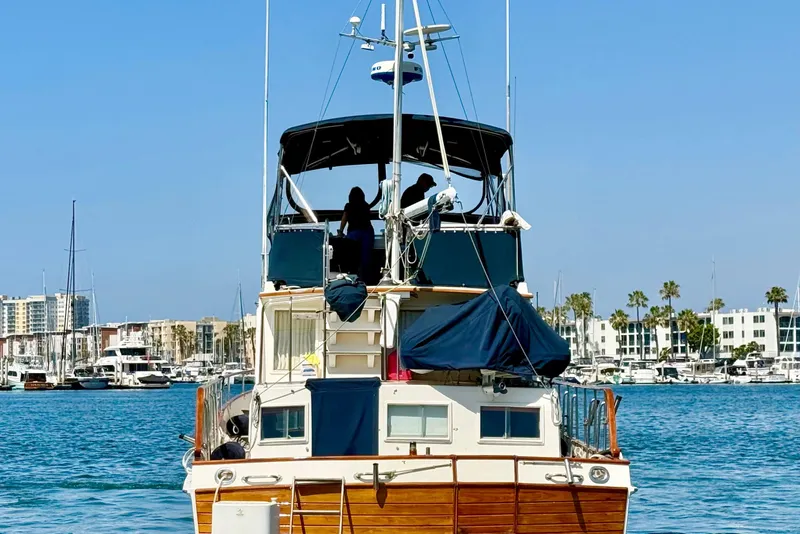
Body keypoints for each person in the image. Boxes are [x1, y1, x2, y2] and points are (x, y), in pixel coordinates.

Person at [339, 186, 375, 281]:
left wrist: (340, 232)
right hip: (367, 232)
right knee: (365, 259)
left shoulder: (348, 206)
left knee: (352, 258)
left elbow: (344, 220)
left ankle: (352, 278)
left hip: (353, 233)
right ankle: (366, 280)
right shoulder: (366, 205)